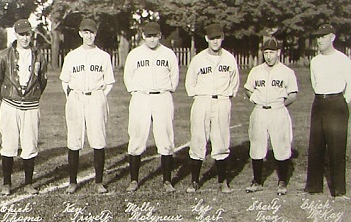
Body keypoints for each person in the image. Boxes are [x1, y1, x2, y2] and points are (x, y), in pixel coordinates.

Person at [0, 19, 48, 196]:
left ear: (32, 35)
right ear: (15, 34)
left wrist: (31, 96)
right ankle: (7, 183)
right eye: (21, 34)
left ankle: (28, 183)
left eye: (27, 34)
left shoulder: (38, 55)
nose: (24, 38)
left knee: (30, 145)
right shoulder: (4, 55)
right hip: (10, 106)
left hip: (31, 106)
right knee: (9, 144)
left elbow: (42, 81)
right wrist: (7, 97)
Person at [59, 19, 115, 194]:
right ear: (80, 33)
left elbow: (109, 83)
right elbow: (65, 80)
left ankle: (99, 182)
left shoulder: (103, 56)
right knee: (74, 139)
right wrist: (72, 96)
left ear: (95, 33)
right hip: (76, 97)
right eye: (85, 32)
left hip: (96, 97)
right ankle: (73, 181)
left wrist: (99, 97)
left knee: (98, 139)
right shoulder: (72, 56)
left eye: (91, 32)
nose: (88, 35)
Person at [122, 22, 179, 193]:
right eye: (148, 36)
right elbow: (128, 77)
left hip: (162, 96)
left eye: (155, 35)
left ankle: (167, 181)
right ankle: (134, 180)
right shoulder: (135, 54)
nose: (152, 39)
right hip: (141, 97)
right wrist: (136, 91)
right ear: (143, 36)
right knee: (137, 136)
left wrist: (167, 90)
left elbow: (174, 77)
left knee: (165, 138)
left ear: (160, 35)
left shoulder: (168, 54)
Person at [184, 23, 239, 193]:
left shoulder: (229, 58)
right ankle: (194, 181)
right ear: (207, 38)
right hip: (202, 100)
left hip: (221, 101)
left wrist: (225, 97)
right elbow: (190, 83)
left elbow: (234, 82)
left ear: (222, 38)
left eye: (218, 38)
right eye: (212, 38)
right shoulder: (198, 59)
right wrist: (200, 97)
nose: (215, 41)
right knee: (198, 139)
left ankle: (223, 181)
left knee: (221, 139)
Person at [242, 39, 297, 195]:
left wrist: (280, 106)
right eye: (266, 53)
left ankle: (282, 181)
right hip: (259, 111)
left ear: (278, 52)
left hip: (278, 110)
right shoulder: (256, 71)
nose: (269, 56)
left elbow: (293, 94)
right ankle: (257, 181)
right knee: (257, 145)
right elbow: (248, 89)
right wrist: (254, 99)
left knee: (281, 145)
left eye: (272, 52)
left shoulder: (286, 72)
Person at [306, 24, 350, 199]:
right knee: (316, 144)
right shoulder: (315, 61)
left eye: (323, 36)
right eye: (318, 37)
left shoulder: (343, 59)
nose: (319, 40)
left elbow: (350, 84)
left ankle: (339, 191)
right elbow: (314, 83)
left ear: (332, 37)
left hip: (337, 103)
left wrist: (341, 102)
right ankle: (314, 187)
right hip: (319, 103)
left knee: (337, 146)